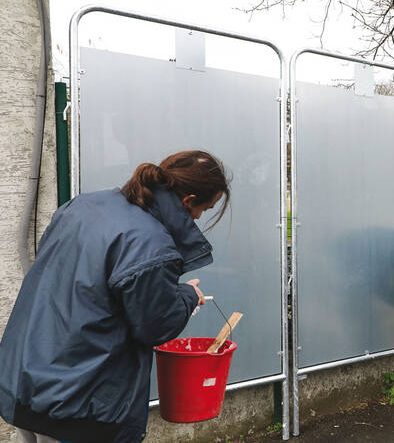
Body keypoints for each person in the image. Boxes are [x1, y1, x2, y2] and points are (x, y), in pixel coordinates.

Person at [0, 151, 231, 443]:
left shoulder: (83, 206)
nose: (199, 218)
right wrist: (186, 295)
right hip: (78, 401)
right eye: (205, 210)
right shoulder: (150, 243)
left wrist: (166, 289)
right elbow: (155, 325)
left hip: (27, 379)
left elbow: (92, 290)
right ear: (188, 201)